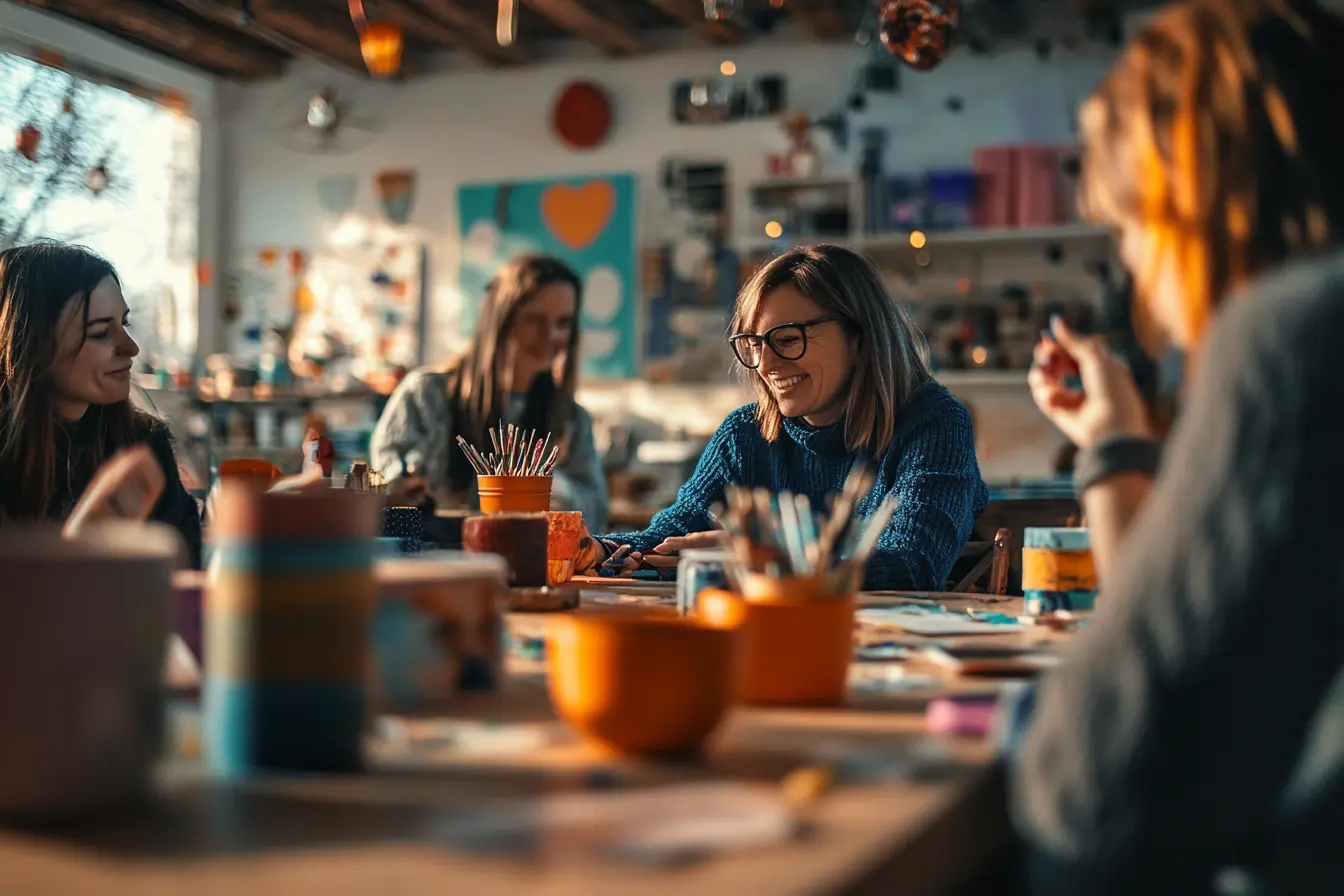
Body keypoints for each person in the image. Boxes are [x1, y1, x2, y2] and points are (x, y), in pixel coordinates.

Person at [1011, 1, 1344, 892]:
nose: (1136, 271)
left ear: (1191, 194)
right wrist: (1114, 444)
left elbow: (1104, 791)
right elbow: (1199, 658)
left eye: (1127, 227)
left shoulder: (1298, 332)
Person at [578, 244, 988, 592]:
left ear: (859, 337)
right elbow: (673, 537)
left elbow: (913, 566)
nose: (766, 364)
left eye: (788, 339)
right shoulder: (744, 434)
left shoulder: (934, 424)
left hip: (896, 658)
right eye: (755, 344)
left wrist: (767, 557)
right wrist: (594, 549)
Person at [0, 241, 202, 567]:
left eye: (124, 324)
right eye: (99, 333)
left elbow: (182, 578)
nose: (131, 347)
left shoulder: (141, 444)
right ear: (33, 346)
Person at [370, 254, 608, 530]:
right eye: (534, 319)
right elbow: (383, 478)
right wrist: (399, 486)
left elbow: (597, 512)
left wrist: (557, 492)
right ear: (500, 320)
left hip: (532, 565)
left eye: (563, 323)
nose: (550, 335)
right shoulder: (426, 394)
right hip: (436, 561)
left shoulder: (572, 419)